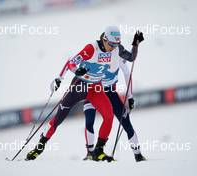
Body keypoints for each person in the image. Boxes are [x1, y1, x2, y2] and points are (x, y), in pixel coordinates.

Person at [26, 26, 137, 162]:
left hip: (96, 87)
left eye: (116, 44)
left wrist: (136, 44)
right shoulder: (92, 48)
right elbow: (71, 63)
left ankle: (98, 151)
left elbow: (131, 57)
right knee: (58, 119)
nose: (113, 48)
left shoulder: (116, 49)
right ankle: (39, 147)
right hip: (79, 86)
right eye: (111, 44)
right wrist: (65, 76)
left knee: (109, 116)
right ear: (104, 39)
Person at [83, 30, 146, 162]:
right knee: (89, 121)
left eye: (114, 45)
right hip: (94, 91)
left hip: (110, 92)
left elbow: (128, 71)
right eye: (109, 44)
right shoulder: (95, 51)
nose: (110, 48)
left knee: (126, 123)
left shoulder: (117, 52)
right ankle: (90, 153)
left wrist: (130, 97)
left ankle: (138, 155)